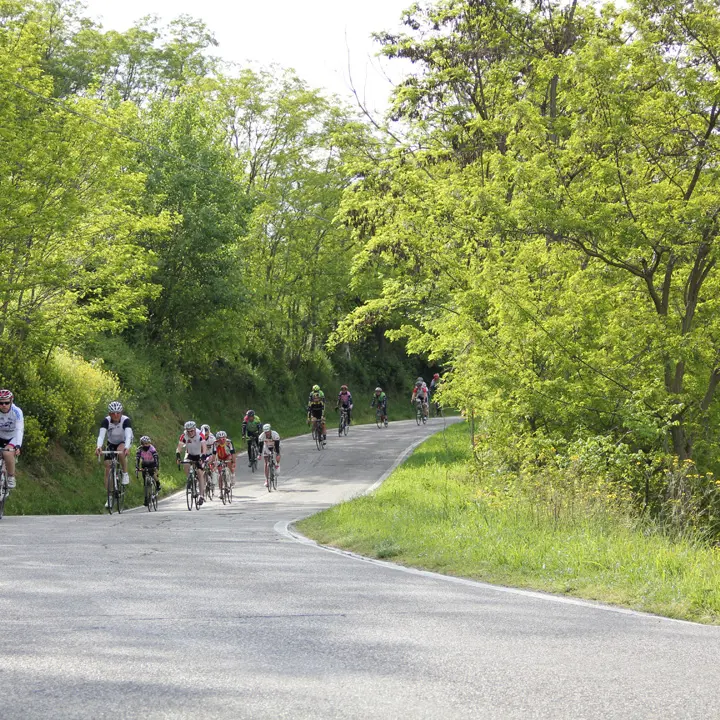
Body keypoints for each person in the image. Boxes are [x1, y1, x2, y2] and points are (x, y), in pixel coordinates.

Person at [96, 401, 133, 507]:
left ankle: (125, 473)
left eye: (118, 413)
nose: (116, 415)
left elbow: (128, 435)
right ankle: (110, 497)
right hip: (111, 442)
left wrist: (127, 447)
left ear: (121, 413)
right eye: (113, 413)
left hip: (124, 441)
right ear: (109, 414)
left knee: (121, 452)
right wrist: (98, 446)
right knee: (108, 469)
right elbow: (101, 436)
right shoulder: (106, 421)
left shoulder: (126, 420)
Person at [176, 420, 207, 506]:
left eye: (192, 431)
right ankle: (190, 479)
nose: (190, 433)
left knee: (200, 473)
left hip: (199, 454)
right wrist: (178, 456)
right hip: (189, 454)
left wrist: (203, 457)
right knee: (185, 464)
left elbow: (204, 447)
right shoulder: (184, 435)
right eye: (188, 431)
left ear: (195, 429)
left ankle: (201, 496)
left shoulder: (200, 434)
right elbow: (179, 447)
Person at [0, 389, 23, 491]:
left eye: (6, 402)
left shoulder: (17, 411)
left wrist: (18, 445)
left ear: (11, 401)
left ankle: (11, 476)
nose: (3, 405)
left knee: (7, 454)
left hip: (12, 437)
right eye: (1, 403)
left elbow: (19, 429)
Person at [135, 436, 160, 505]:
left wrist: (156, 467)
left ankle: (158, 484)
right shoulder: (139, 449)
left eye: (147, 443)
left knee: (153, 474)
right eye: (144, 444)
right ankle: (146, 498)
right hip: (144, 464)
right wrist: (137, 467)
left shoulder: (152, 449)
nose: (146, 445)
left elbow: (156, 458)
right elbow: (137, 458)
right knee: (145, 483)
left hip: (152, 463)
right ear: (141, 444)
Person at [258, 423, 281, 487]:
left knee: (277, 455)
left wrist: (277, 454)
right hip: (267, 446)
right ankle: (266, 480)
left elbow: (277, 447)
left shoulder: (275, 435)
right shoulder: (261, 436)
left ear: (270, 430)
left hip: (274, 445)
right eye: (265, 432)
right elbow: (260, 447)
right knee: (266, 462)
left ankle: (277, 464)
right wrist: (259, 454)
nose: (267, 433)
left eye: (268, 432)